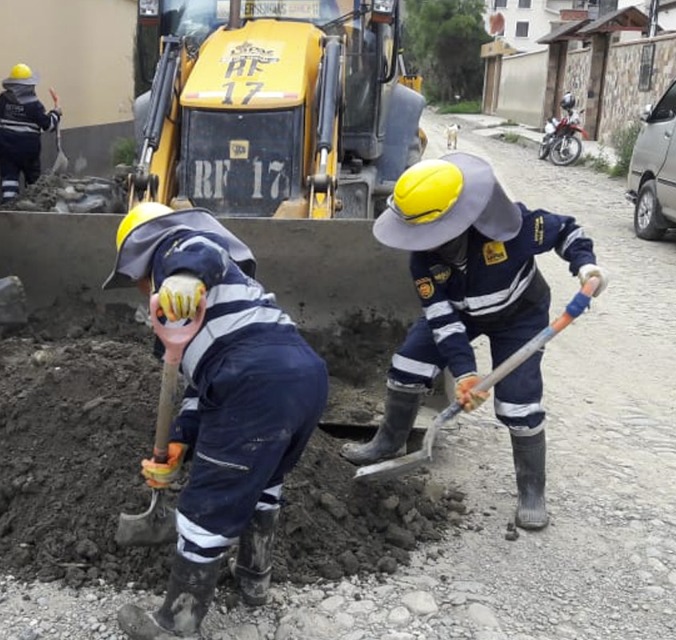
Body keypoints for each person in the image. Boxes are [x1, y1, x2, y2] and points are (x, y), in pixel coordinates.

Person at [340, 154, 608, 531]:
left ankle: (532, 490)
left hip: (519, 317)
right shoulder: (424, 263)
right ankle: (389, 441)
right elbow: (443, 322)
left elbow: (568, 232)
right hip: (461, 314)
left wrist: (586, 266)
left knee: (518, 403)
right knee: (408, 365)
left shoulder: (514, 228)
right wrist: (465, 373)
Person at [105, 203, 329, 638]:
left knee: (207, 505)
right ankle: (253, 580)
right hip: (303, 379)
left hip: (254, 384)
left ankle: (176, 622)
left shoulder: (176, 248)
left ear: (141, 258)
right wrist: (180, 440)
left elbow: (201, 246)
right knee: (263, 482)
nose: (136, 286)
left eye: (133, 276)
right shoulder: (207, 309)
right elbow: (200, 392)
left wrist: (184, 275)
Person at [0, 63, 61, 204]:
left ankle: (8, 208)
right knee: (33, 180)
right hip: (28, 149)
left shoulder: (2, 99)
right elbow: (48, 126)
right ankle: (33, 207)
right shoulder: (33, 105)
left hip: (5, 148)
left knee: (9, 179)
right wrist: (56, 112)